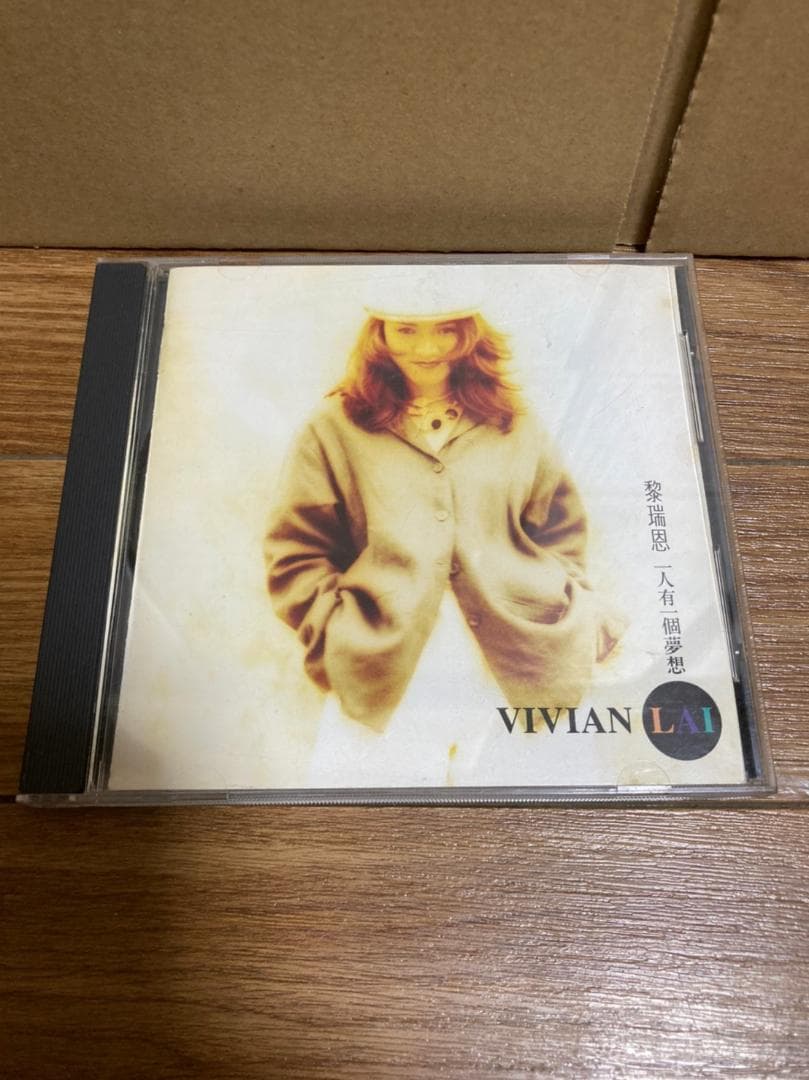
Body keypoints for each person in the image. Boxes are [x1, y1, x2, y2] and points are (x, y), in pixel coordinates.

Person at [264, 276, 622, 782]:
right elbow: (295, 553)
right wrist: (337, 631)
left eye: (446, 330)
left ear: (469, 334)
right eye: (407, 330)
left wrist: (576, 610)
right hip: (385, 666)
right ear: (379, 334)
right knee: (369, 815)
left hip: (523, 662)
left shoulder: (514, 422)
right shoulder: (332, 428)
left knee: (532, 812)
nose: (428, 349)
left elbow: (561, 532)